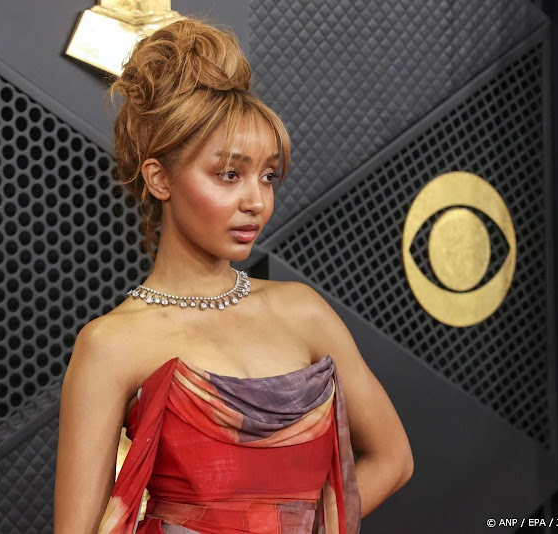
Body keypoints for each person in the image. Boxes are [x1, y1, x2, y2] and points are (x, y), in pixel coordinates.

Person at [54, 18, 413, 534]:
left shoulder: (303, 311)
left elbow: (393, 458)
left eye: (267, 176)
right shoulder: (110, 345)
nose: (257, 201)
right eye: (229, 174)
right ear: (160, 179)